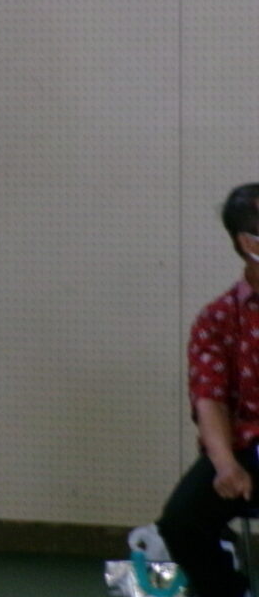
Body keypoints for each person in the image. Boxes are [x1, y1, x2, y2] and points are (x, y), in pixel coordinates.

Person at [158, 183, 259, 597]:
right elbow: (209, 398)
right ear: (249, 244)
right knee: (181, 523)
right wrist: (225, 465)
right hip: (247, 446)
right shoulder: (218, 318)